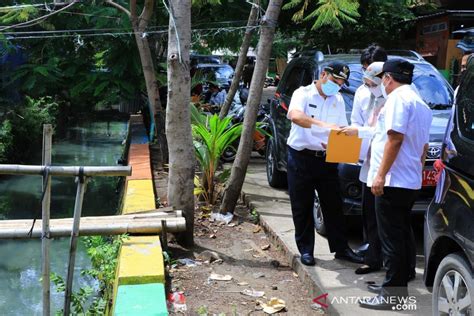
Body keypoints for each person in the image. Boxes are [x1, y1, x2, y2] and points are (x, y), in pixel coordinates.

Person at [359, 59, 432, 310]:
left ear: (388, 78)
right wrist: (416, 171)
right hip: (407, 179)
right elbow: (423, 148)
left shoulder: (398, 100)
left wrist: (380, 175)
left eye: (383, 79)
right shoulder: (420, 102)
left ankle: (392, 295)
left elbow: (395, 139)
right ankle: (394, 285)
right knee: (399, 236)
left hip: (392, 181)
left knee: (391, 238)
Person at [286, 61, 364, 266]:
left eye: (341, 82)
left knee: (334, 205)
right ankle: (306, 250)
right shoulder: (302, 93)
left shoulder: (337, 99)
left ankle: (342, 249)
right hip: (300, 157)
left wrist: (343, 147)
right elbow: (295, 116)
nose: (337, 85)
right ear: (323, 75)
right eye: (334, 80)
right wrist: (323, 125)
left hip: (326, 159)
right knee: (302, 206)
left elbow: (339, 128)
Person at [340, 61, 386, 275]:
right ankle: (373, 257)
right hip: (366, 161)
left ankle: (391, 262)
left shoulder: (393, 100)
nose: (368, 86)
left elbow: (382, 133)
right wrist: (347, 150)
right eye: (366, 83)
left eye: (371, 83)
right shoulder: (361, 93)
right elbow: (356, 123)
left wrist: (360, 132)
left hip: (385, 165)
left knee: (388, 217)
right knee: (369, 213)